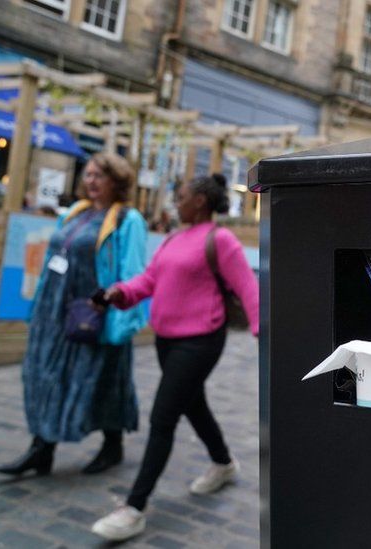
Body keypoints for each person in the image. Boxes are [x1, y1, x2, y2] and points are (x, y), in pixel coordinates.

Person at [91, 173, 259, 541]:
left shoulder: (222, 240)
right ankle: (224, 463)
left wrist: (263, 334)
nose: (175, 202)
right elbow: (149, 281)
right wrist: (119, 293)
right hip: (167, 341)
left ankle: (134, 508)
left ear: (199, 201)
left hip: (200, 341)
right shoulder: (174, 238)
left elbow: (248, 288)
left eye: (179, 195)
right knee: (193, 405)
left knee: (163, 415)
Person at [0, 152, 148, 477]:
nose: (90, 181)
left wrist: (117, 313)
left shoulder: (127, 219)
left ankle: (112, 445)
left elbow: (132, 270)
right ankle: (42, 448)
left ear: (116, 182)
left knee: (100, 378)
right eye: (88, 175)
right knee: (47, 373)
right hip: (54, 311)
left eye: (99, 176)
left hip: (92, 313)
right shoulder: (76, 212)